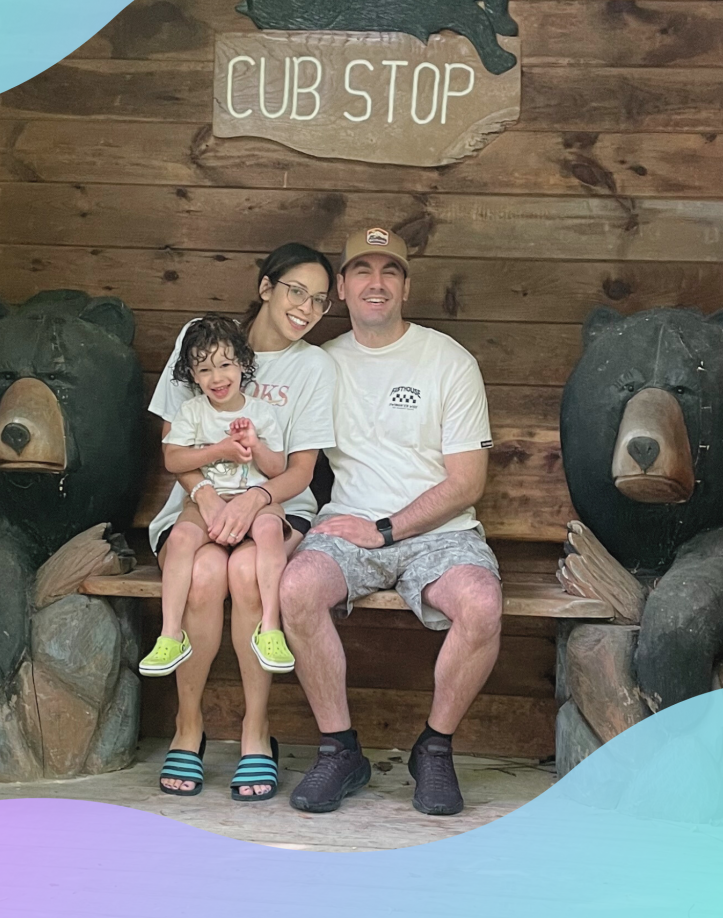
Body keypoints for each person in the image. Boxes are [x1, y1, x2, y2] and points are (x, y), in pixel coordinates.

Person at [280, 227, 502, 817]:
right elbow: (286, 457)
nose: (375, 282)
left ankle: (434, 748)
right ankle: (339, 750)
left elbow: (467, 482)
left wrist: (385, 530)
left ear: (406, 286)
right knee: (296, 588)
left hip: (438, 532)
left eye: (389, 271)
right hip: (349, 527)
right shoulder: (319, 366)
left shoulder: (449, 361)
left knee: (481, 602)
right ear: (343, 289)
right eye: (361, 271)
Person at [148, 243, 337, 800]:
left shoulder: (314, 367)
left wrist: (253, 502)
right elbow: (173, 443)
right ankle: (189, 727)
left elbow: (302, 471)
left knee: (251, 571)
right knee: (205, 577)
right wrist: (206, 497)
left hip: (273, 507)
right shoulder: (204, 341)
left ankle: (256, 733)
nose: (306, 308)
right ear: (265, 288)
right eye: (295, 291)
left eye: (320, 301)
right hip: (197, 504)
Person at [139, 314, 295, 680]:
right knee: (180, 539)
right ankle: (170, 635)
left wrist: (255, 446)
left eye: (225, 364)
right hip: (204, 501)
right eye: (204, 369)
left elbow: (277, 469)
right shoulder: (192, 411)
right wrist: (220, 450)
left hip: (257, 500)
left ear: (243, 363)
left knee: (271, 532)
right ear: (192, 376)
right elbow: (172, 458)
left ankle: (271, 628)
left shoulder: (262, 413)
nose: (217, 377)